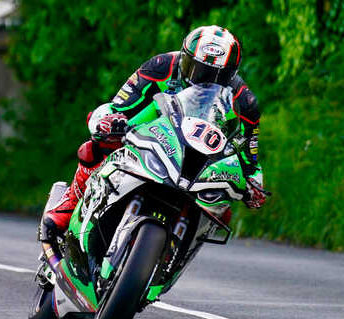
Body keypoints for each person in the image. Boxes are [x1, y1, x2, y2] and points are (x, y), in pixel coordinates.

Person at [41, 25, 267, 240]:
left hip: (201, 155)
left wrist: (253, 183)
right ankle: (71, 203)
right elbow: (120, 104)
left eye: (213, 75)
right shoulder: (161, 65)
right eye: (195, 68)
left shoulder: (245, 102)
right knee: (97, 144)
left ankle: (182, 244)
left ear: (229, 75)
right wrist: (112, 121)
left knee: (225, 204)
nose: (201, 79)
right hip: (154, 130)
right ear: (184, 57)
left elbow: (250, 154)